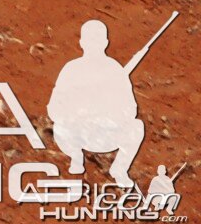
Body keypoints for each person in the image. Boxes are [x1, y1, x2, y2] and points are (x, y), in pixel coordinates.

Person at [49, 19, 150, 186]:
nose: (93, 44)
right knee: (59, 127)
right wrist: (76, 113)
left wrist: (110, 112)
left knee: (136, 127)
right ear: (82, 42)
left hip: (107, 135)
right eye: (90, 39)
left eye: (97, 39)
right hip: (78, 134)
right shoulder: (71, 69)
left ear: (105, 43)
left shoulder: (115, 70)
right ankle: (76, 157)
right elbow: (54, 107)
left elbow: (131, 109)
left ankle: (119, 169)